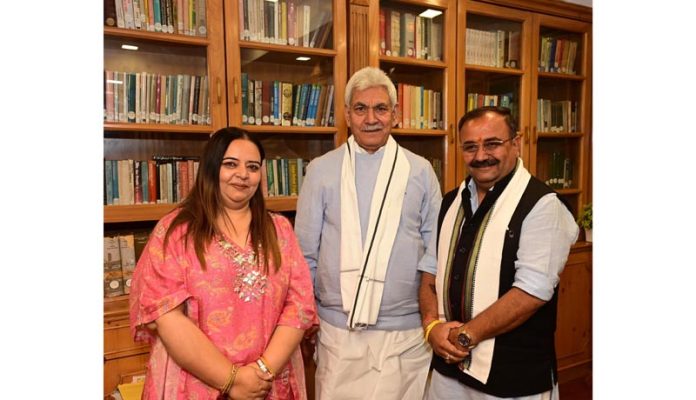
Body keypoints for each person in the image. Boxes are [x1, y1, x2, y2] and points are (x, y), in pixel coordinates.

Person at [129, 127, 317, 400]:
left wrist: (260, 372)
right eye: (231, 164)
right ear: (211, 167)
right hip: (194, 384)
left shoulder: (279, 230)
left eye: (252, 167)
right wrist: (231, 379)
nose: (243, 174)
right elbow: (167, 317)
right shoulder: (176, 231)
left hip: (268, 383)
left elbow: (299, 307)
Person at [294, 66, 442, 399]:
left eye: (381, 108)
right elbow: (304, 255)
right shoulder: (320, 171)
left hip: (406, 334)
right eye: (361, 108)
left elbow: (435, 251)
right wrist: (307, 323)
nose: (371, 118)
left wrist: (431, 318)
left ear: (395, 114)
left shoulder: (420, 171)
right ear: (347, 115)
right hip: (337, 332)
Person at [420, 106, 579, 399]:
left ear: (516, 143)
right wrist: (431, 326)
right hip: (448, 372)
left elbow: (531, 292)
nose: (481, 156)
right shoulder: (451, 201)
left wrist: (464, 337)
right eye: (470, 147)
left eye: (492, 143)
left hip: (513, 378)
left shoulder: (542, 206)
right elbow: (431, 269)